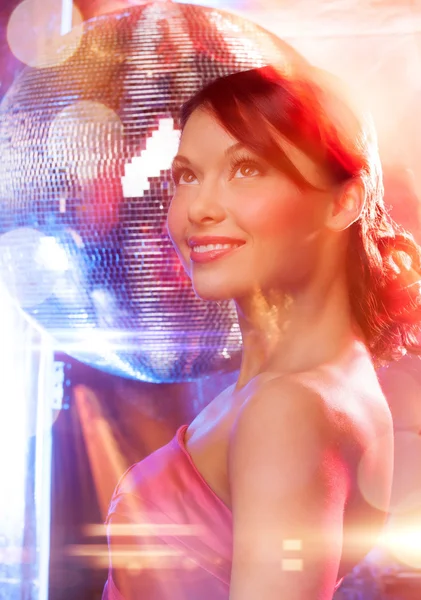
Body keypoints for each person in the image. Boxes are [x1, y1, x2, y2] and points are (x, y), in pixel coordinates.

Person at [102, 62, 421, 599]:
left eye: (246, 168)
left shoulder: (290, 407)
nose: (198, 209)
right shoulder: (314, 385)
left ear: (345, 200)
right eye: (186, 175)